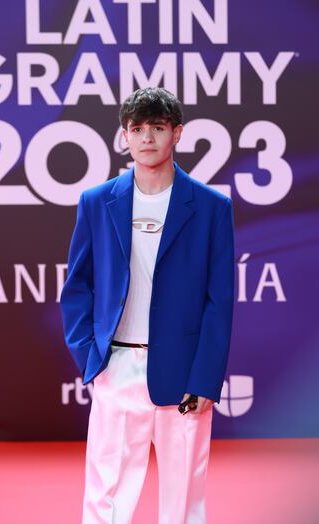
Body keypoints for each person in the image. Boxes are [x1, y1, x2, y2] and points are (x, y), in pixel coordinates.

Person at [60, 87, 235, 524]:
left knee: (183, 497)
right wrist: (91, 356)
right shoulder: (97, 202)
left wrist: (206, 378)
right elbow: (77, 286)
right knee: (106, 495)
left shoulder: (213, 207)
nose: (147, 138)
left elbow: (220, 301)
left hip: (184, 373)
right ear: (124, 136)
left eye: (157, 128)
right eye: (137, 129)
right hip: (117, 366)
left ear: (177, 132)